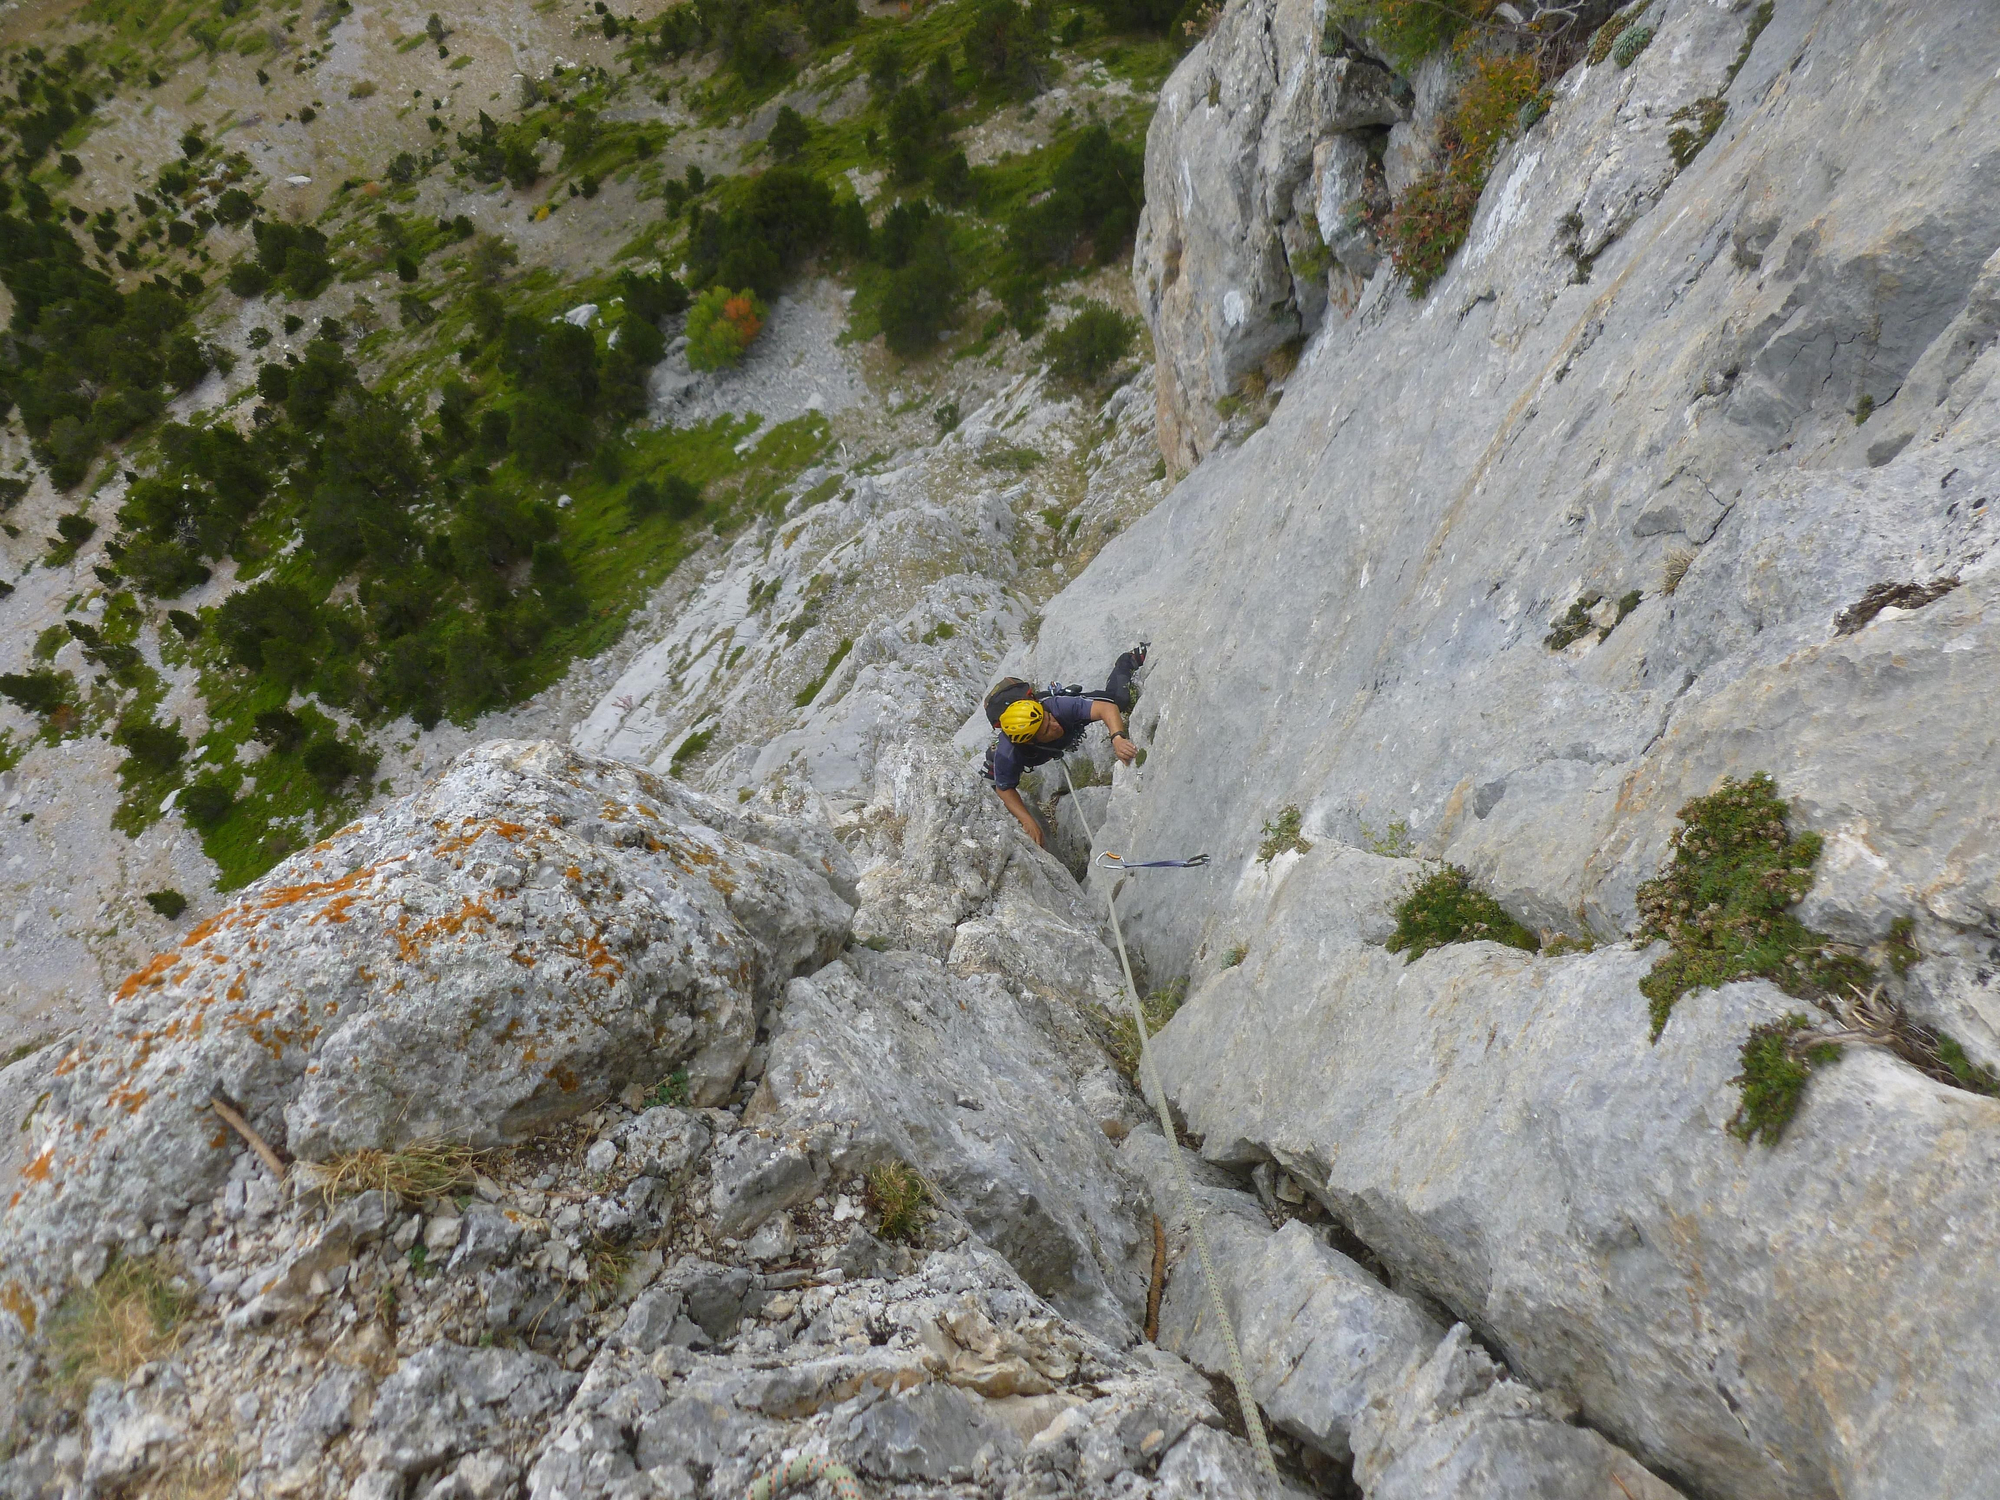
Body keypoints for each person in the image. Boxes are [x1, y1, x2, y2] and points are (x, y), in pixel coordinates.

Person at [983, 646, 1146, 847]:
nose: (1055, 725)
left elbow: (1106, 708)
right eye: (1046, 730)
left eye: (1049, 719)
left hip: (1067, 721)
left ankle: (1128, 660)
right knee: (992, 788)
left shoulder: (1057, 707)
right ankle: (991, 763)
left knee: (1119, 699)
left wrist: (1117, 737)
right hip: (1007, 758)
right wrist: (1028, 821)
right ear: (1030, 741)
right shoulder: (1009, 753)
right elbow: (1005, 788)